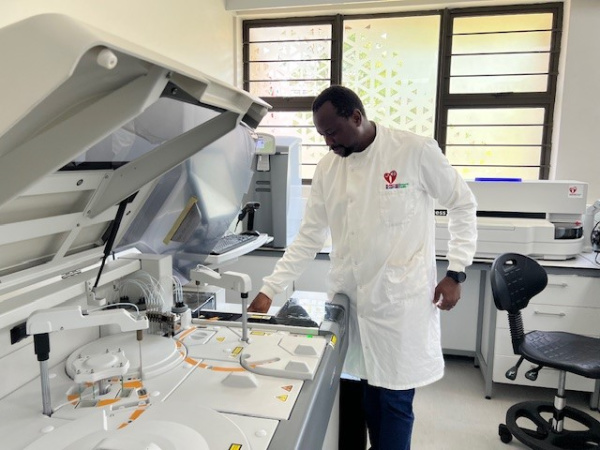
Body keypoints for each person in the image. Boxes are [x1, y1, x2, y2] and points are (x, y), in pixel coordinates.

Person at [248, 85, 477, 450]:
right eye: (321, 135)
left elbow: (463, 204)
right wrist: (269, 289)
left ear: (357, 117)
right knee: (358, 396)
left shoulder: (413, 151)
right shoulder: (327, 169)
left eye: (333, 132)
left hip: (398, 304)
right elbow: (309, 237)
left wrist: (456, 272)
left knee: (395, 401)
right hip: (349, 303)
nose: (328, 142)